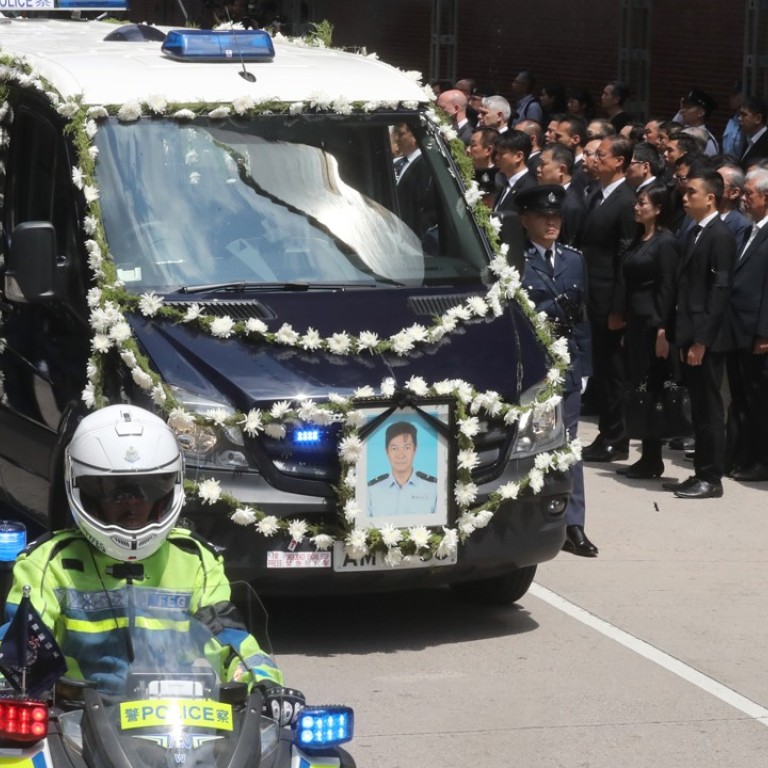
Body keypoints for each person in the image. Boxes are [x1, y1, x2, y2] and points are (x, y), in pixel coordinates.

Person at [0, 405, 302, 720]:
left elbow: (230, 642)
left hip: (177, 720)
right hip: (74, 721)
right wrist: (20, 684)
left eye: (148, 488)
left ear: (170, 487)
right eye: (115, 492)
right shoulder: (47, 562)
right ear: (83, 490)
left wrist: (265, 684)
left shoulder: (195, 560)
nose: (133, 504)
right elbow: (20, 648)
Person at [516, 185, 595, 556]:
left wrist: (584, 366)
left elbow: (581, 317)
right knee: (529, 444)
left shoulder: (574, 260)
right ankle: (528, 517)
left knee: (570, 446)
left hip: (567, 364)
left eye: (557, 217)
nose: (552, 223)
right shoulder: (515, 260)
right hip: (533, 367)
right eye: (543, 216)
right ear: (525, 220)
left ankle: (573, 524)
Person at [663, 168, 736, 499]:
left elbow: (718, 291)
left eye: (692, 191)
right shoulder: (694, 232)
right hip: (689, 333)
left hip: (705, 339)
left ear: (710, 198)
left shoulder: (719, 235)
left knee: (709, 410)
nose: (685, 196)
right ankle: (700, 473)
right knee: (699, 407)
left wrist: (701, 340)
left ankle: (711, 477)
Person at [615, 184, 679, 479]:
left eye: (642, 203)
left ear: (658, 208)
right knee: (638, 388)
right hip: (637, 323)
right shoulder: (641, 239)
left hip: (654, 323)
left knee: (652, 389)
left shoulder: (665, 242)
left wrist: (663, 330)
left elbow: (667, 287)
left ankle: (654, 456)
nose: (636, 207)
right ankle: (648, 454)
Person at [579, 136, 637, 463]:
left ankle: (617, 437)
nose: (595, 159)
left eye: (602, 154)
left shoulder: (626, 200)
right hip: (593, 294)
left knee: (614, 371)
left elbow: (624, 257)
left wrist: (619, 307)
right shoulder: (597, 195)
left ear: (620, 161)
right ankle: (607, 432)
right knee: (602, 368)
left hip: (608, 300)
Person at [725, 167, 768, 481]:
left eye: (750, 194)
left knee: (758, 400)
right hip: (737, 328)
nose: (744, 199)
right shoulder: (750, 229)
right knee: (741, 397)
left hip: (757, 333)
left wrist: (765, 332)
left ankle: (761, 460)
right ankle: (741, 455)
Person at [367, 421, 437, 517]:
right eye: (394, 448)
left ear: (415, 450)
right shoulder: (371, 491)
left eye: (407, 448)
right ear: (387, 451)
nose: (400, 455)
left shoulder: (433, 488)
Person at [739, 96, 768, 170]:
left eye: (744, 115)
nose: (739, 118)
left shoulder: (765, 142)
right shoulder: (749, 140)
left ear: (758, 118)